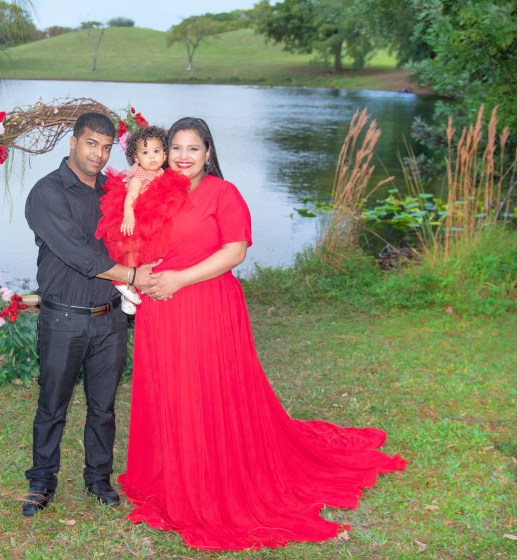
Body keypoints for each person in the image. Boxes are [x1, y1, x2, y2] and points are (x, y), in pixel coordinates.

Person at [118, 117, 406, 550]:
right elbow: (132, 241)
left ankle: (212, 476)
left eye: (193, 148)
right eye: (175, 147)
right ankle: (171, 474)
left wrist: (180, 278)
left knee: (207, 389)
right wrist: (139, 273)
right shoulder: (153, 190)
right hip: (160, 310)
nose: (182, 156)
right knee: (169, 389)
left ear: (208, 153)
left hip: (206, 303)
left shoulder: (224, 193)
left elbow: (235, 252)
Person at [22, 112, 154, 517]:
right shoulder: (47, 193)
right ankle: (42, 481)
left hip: (110, 317)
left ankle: (98, 478)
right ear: (73, 142)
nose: (98, 153)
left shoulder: (115, 191)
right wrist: (133, 276)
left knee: (103, 406)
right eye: (91, 143)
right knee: (52, 404)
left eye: (106, 146)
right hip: (64, 318)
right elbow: (79, 255)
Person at [94, 125, 191, 315]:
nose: (152, 156)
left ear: (165, 154)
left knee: (148, 255)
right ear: (137, 158)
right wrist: (128, 215)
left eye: (156, 151)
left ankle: (136, 290)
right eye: (145, 153)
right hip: (134, 218)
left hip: (150, 219)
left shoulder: (163, 173)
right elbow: (131, 196)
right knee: (132, 248)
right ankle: (125, 284)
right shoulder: (138, 175)